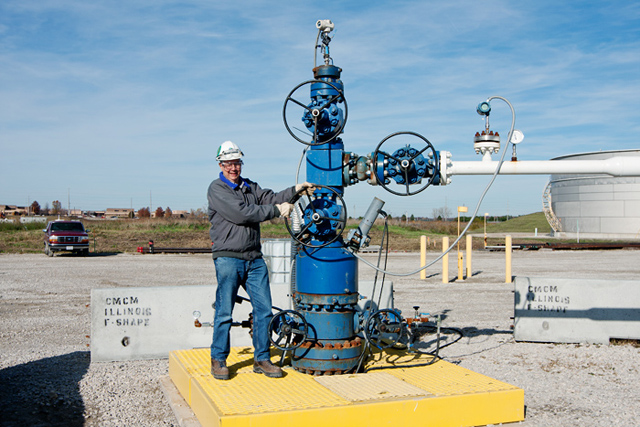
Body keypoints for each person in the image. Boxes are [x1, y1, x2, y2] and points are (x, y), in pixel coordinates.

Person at [207, 140, 314, 380]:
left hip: (254, 258)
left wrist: (296, 190)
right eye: (229, 164)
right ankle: (218, 359)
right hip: (228, 258)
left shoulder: (249, 186)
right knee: (225, 311)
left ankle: (262, 358)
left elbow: (272, 197)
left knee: (264, 310)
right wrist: (277, 211)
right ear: (221, 165)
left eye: (237, 163)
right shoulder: (217, 189)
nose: (233, 168)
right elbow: (242, 214)